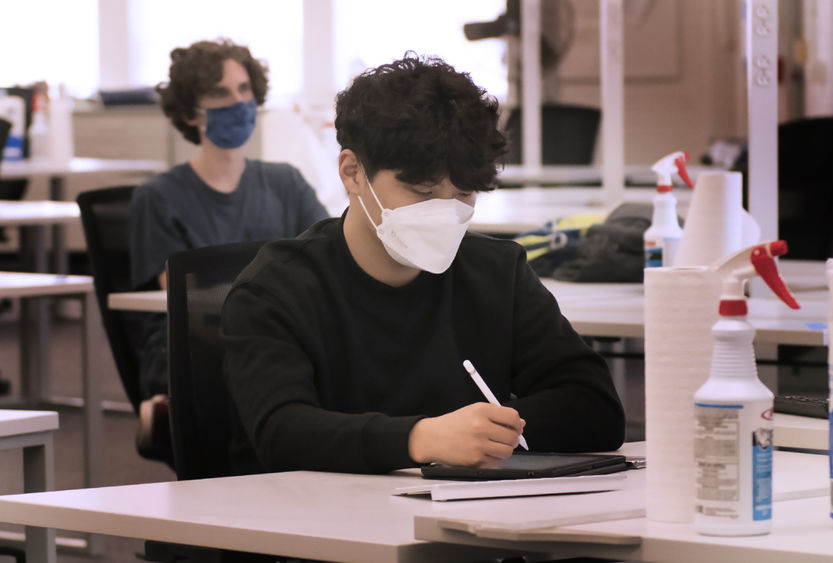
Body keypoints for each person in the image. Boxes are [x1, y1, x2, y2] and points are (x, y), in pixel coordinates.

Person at [221, 53, 625, 475]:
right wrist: (424, 438)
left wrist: (488, 434)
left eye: (465, 193)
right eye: (422, 192)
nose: (446, 212)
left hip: (469, 524)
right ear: (352, 172)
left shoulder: (497, 272)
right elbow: (281, 433)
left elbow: (595, 407)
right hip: (319, 527)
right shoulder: (276, 289)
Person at [129, 38, 329, 461]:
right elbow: (189, 302)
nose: (237, 102)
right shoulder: (159, 197)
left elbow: (326, 263)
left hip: (279, 336)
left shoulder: (285, 182)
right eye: (219, 93)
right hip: (195, 349)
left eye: (243, 90)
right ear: (189, 112)